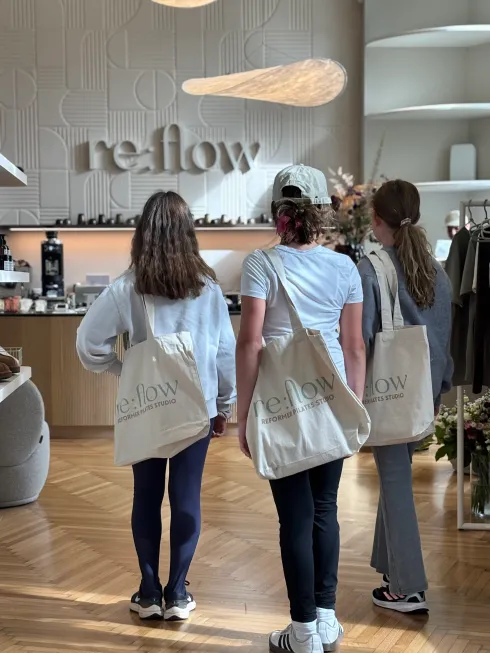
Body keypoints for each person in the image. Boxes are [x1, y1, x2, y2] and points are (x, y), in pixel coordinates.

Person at [76, 191, 236, 621]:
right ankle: (178, 593)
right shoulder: (208, 288)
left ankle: (148, 593)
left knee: (145, 496)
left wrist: (124, 371)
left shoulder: (127, 287)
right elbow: (224, 352)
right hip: (197, 408)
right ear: (188, 234)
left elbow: (88, 344)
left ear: (143, 233)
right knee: (186, 497)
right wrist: (224, 404)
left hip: (147, 406)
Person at [236, 164, 366, 653]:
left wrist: (243, 413)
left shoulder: (260, 264)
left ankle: (304, 630)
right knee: (325, 508)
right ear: (323, 212)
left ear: (278, 213)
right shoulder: (345, 267)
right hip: (332, 397)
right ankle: (326, 620)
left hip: (280, 401)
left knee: (294, 516)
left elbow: (250, 343)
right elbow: (354, 346)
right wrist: (354, 405)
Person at [358, 179, 453, 615]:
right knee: (395, 475)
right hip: (424, 392)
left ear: (377, 220)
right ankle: (390, 568)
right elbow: (444, 338)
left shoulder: (371, 269)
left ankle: (409, 587)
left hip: (387, 391)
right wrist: (439, 389)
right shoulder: (437, 271)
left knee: (394, 480)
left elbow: (361, 339)